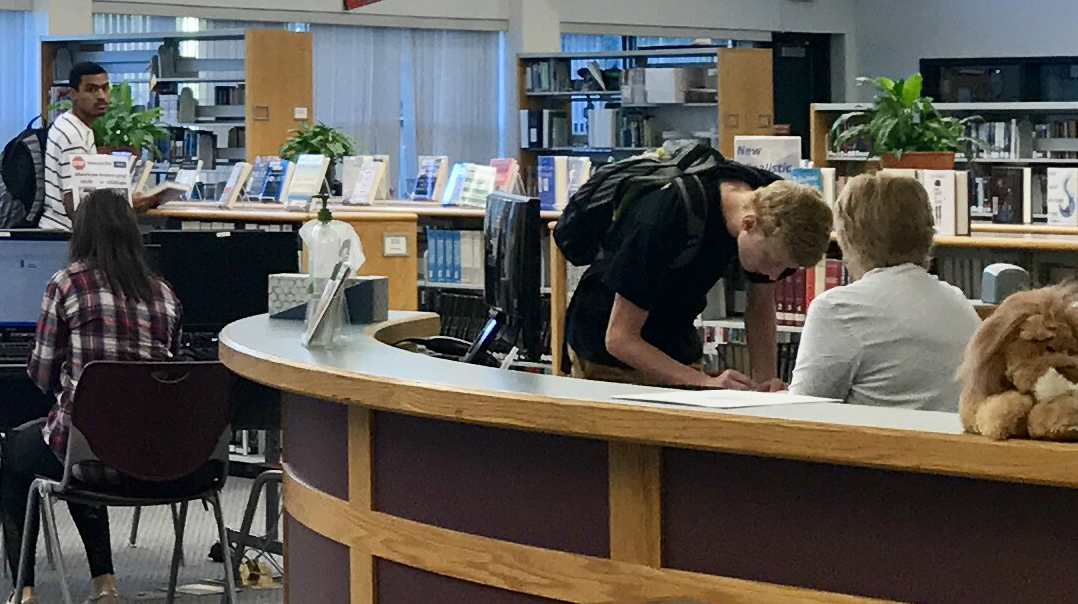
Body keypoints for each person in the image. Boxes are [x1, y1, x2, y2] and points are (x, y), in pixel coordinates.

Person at [2, 190, 183, 604]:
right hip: (152, 459)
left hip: (87, 456)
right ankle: (105, 584)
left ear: (80, 234)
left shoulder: (65, 284)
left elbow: (42, 374)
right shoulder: (165, 294)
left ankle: (23, 589)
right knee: (94, 438)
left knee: (18, 454)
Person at [565, 175, 834, 391]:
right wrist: (702, 381)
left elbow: (761, 305)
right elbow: (619, 338)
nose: (774, 275)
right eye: (772, 262)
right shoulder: (667, 216)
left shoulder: (775, 204)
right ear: (748, 224)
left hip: (675, 342)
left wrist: (764, 383)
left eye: (786, 269)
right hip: (605, 350)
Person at [788, 172, 981, 411]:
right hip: (951, 446)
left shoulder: (837, 310)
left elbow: (801, 412)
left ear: (849, 238)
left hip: (880, 445)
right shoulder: (957, 301)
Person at [41, 62, 165, 231]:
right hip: (66, 234)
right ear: (73, 94)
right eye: (91, 89)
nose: (101, 96)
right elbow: (75, 205)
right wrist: (127, 204)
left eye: (105, 88)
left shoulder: (76, 126)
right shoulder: (72, 134)